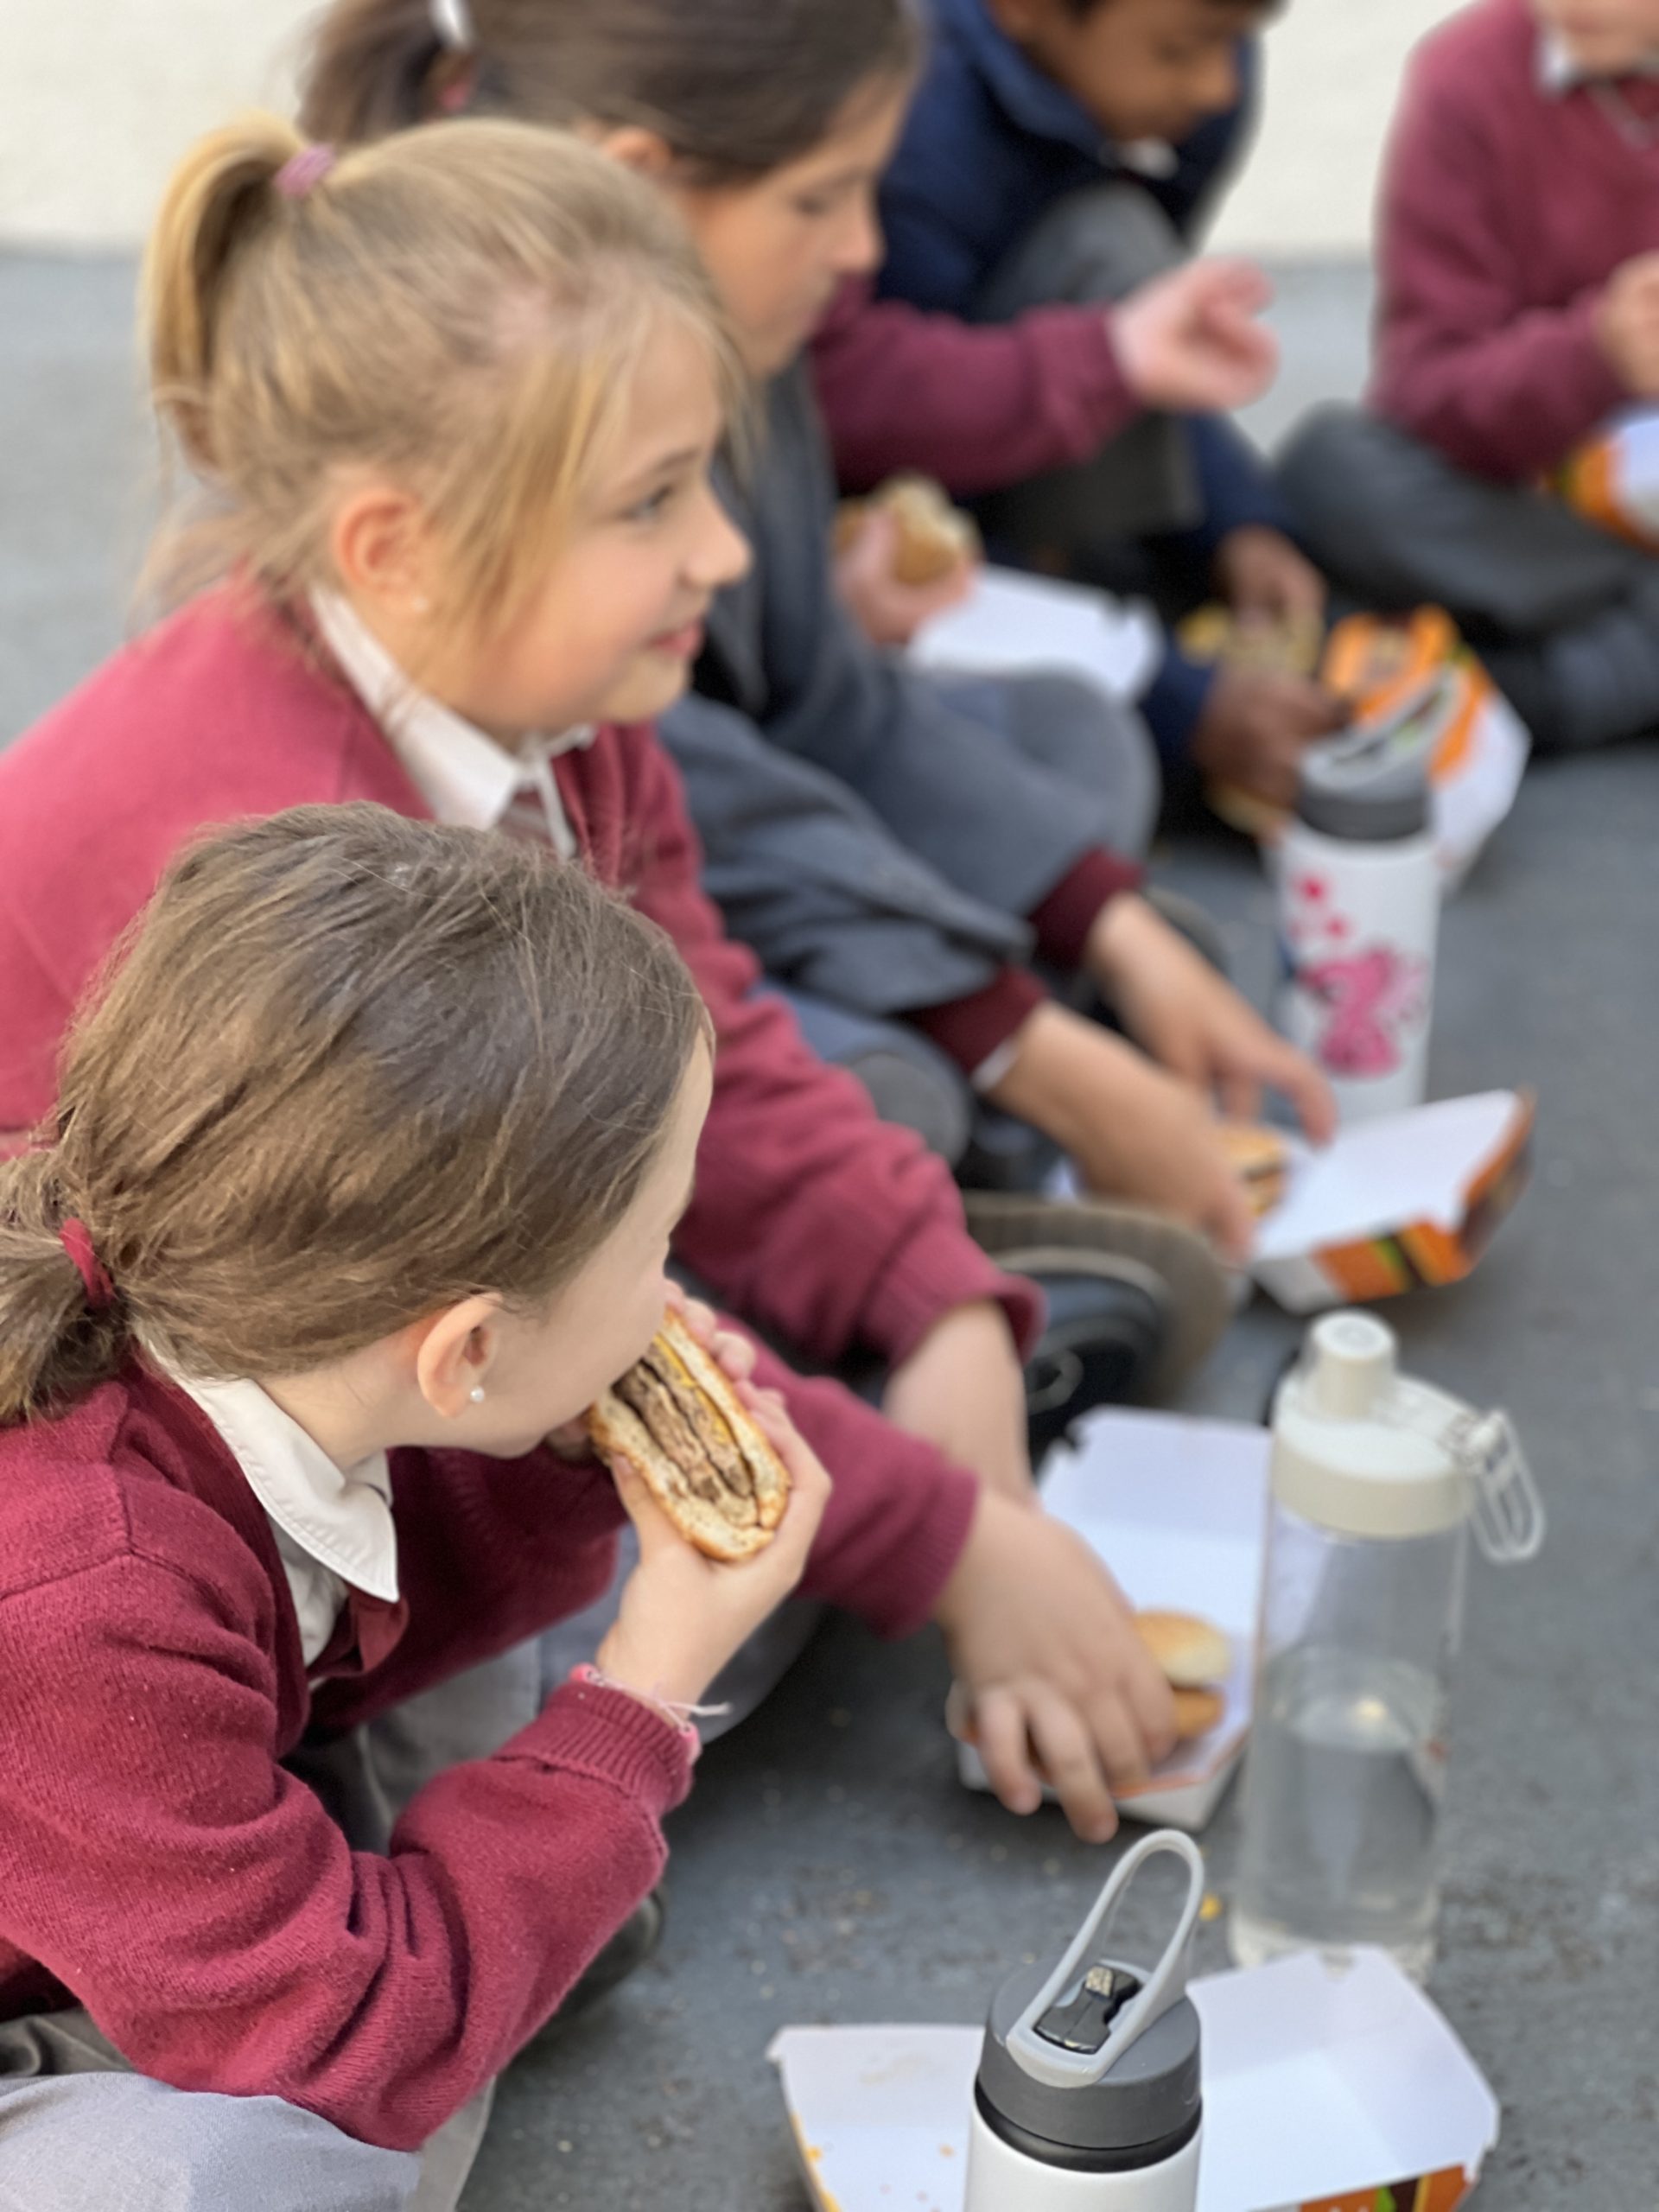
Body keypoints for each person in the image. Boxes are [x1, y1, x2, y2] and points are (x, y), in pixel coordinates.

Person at [0, 117, 1176, 1866]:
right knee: (659, 1577)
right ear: (397, 548)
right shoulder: (287, 862)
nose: (722, 551)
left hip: (426, 1305)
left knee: (786, 1280)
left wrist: (930, 1293)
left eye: (706, 481)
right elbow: (493, 1333)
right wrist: (956, 1542)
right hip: (165, 1458)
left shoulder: (556, 697)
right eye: (650, 503)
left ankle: (899, 1373)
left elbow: (713, 1039)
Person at [302, 0, 1337, 1300]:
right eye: (822, 200)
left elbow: (831, 701)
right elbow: (676, 802)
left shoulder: (729, 321)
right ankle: (954, 1129)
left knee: (1081, 743)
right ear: (642, 181)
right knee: (884, 1090)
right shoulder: (493, 402)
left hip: (711, 849)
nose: (862, 253)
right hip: (564, 912)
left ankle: (997, 1041)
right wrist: (1019, 1040)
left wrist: (1111, 922)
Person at [0, 804, 838, 2209]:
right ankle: (482, 1950)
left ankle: (485, 1935)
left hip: (103, 1850)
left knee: (496, 1700)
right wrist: (645, 1697)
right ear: (466, 1350)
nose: (674, 1292)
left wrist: (567, 1465)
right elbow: (335, 2041)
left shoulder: (194, 1301)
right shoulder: (86, 1598)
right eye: (655, 1247)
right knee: (245, 2168)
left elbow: (327, 1590)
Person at [812, 0, 1346, 805]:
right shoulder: (922, 139)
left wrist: (1239, 523)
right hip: (915, 516)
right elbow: (884, 453)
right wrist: (1175, 697)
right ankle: (1086, 611)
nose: (1218, 87)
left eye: (1237, 42)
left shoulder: (1181, 95)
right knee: (1111, 244)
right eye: (1179, 51)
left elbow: (1146, 352)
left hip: (1022, 423)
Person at [1281, 0, 1659, 755]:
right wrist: (1594, 355)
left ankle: (1526, 691)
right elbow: (1425, 394)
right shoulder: (1468, 78)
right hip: (1528, 506)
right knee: (1331, 467)